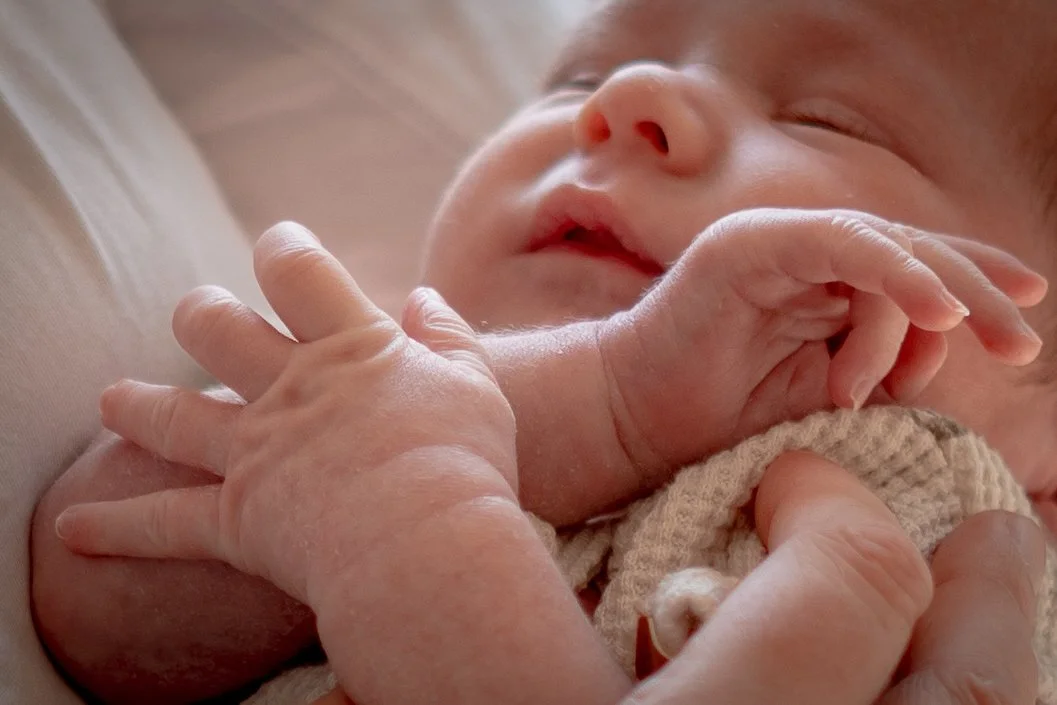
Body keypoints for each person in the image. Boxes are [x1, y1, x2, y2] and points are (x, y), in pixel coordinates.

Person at [30, 0, 1057, 701]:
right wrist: (562, 412)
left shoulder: (994, 574)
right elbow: (94, 559)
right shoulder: (396, 377)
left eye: (830, 120)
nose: (632, 99)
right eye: (579, 77)